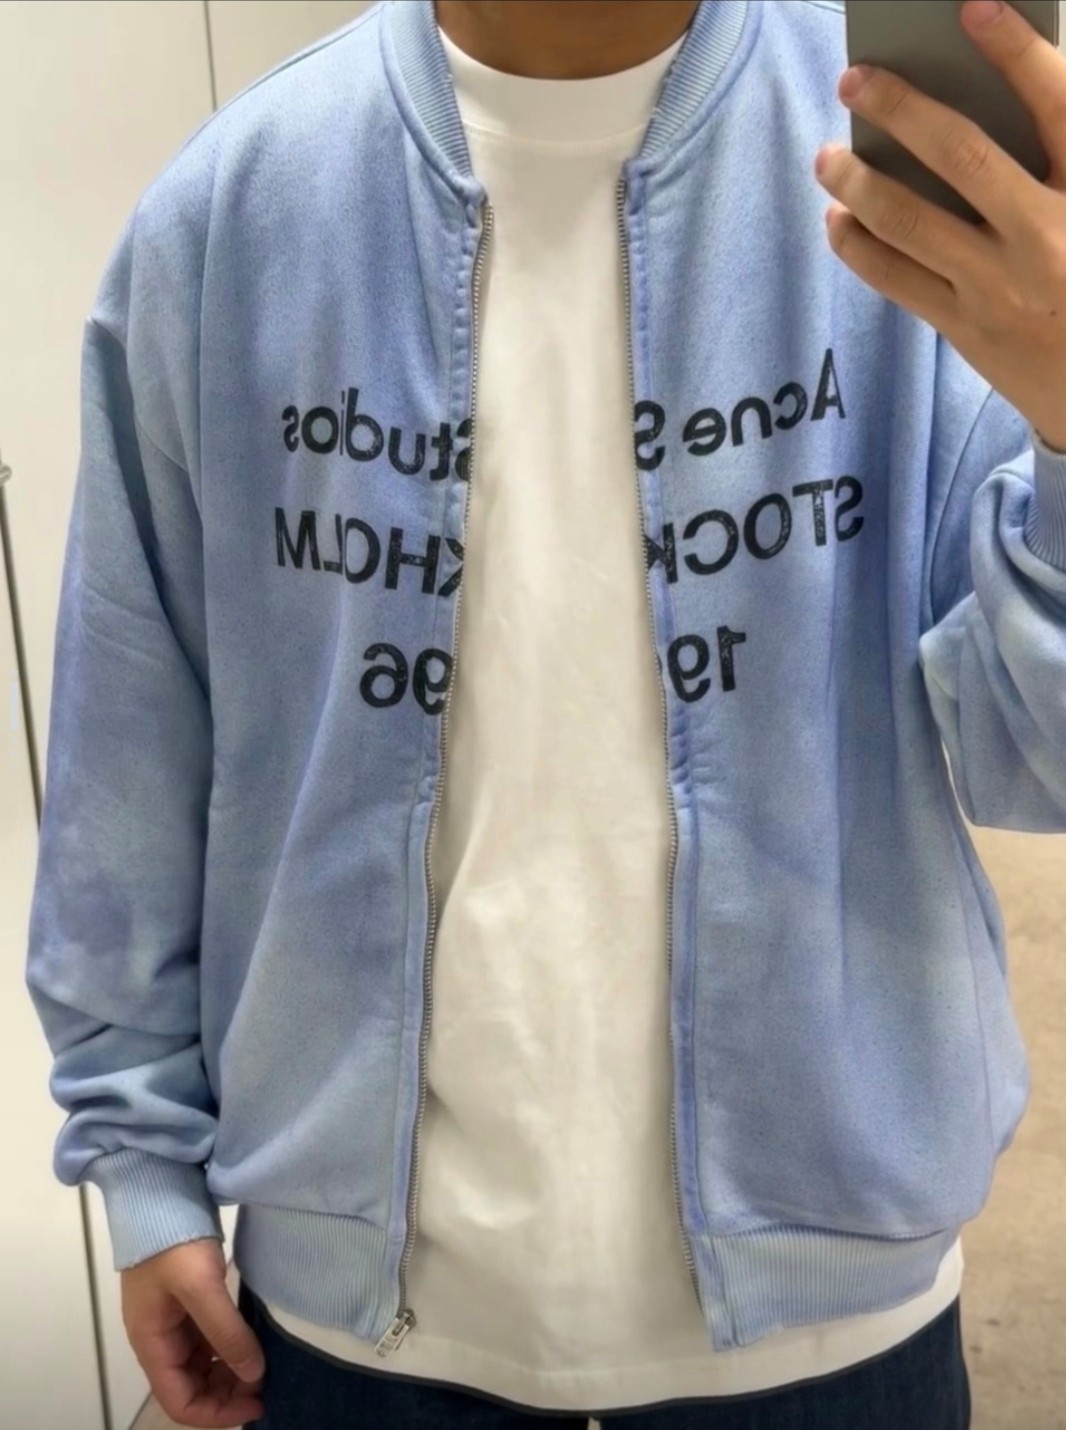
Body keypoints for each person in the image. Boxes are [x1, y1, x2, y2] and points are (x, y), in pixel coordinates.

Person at [23, 0, 1066, 1426]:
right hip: (357, 1337)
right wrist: (141, 1160)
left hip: (831, 1337)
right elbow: (131, 744)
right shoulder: (236, 213)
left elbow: (1034, 759)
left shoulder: (903, 187)